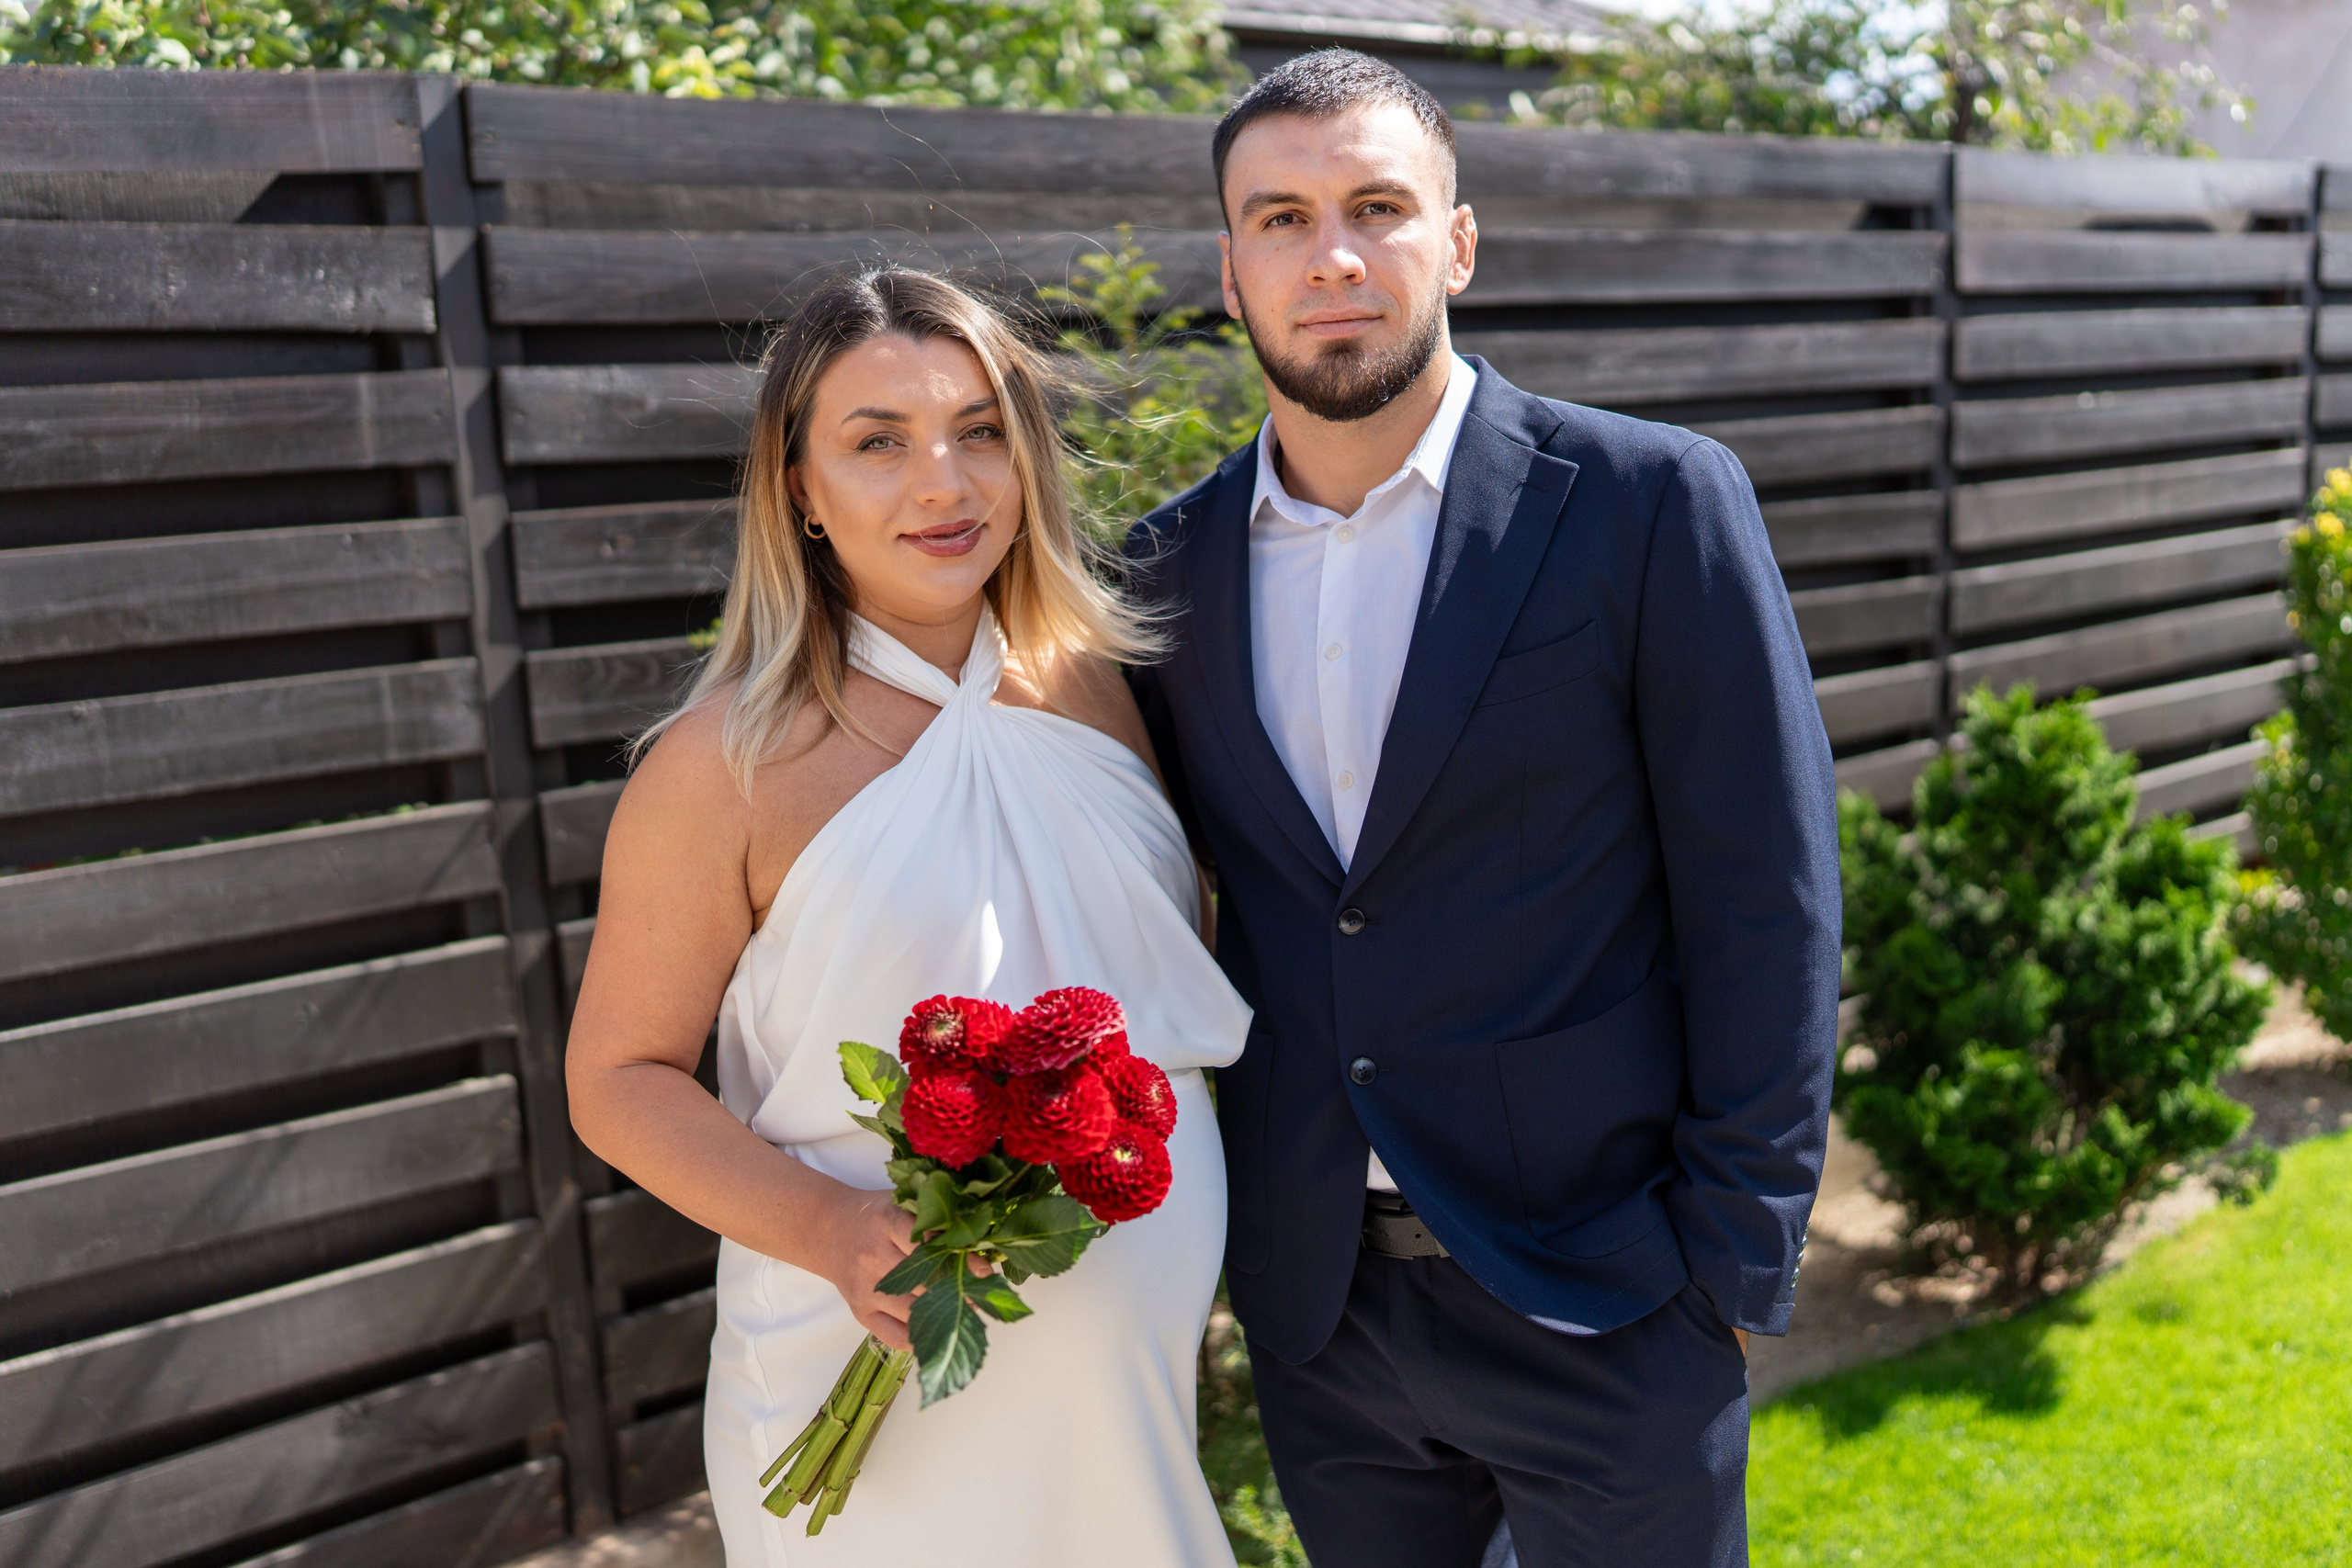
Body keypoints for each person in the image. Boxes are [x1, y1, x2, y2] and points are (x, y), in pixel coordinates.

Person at [1124, 50, 1842, 1568]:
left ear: (1456, 239)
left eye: (1377, 207)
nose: (1332, 257)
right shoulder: (1161, 572)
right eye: (1282, 219)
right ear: (1231, 268)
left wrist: (1728, 1259)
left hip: (1613, 1292)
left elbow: (1767, 899)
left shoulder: (1649, 502)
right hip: (1327, 1318)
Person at [565, 267, 1249, 1567]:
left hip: (1129, 1404)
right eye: (878, 443)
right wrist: (834, 1233)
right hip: (869, 1394)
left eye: (980, 430)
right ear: (801, 491)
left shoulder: (1098, 691)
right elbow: (615, 1078)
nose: (944, 484)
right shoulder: (724, 767)